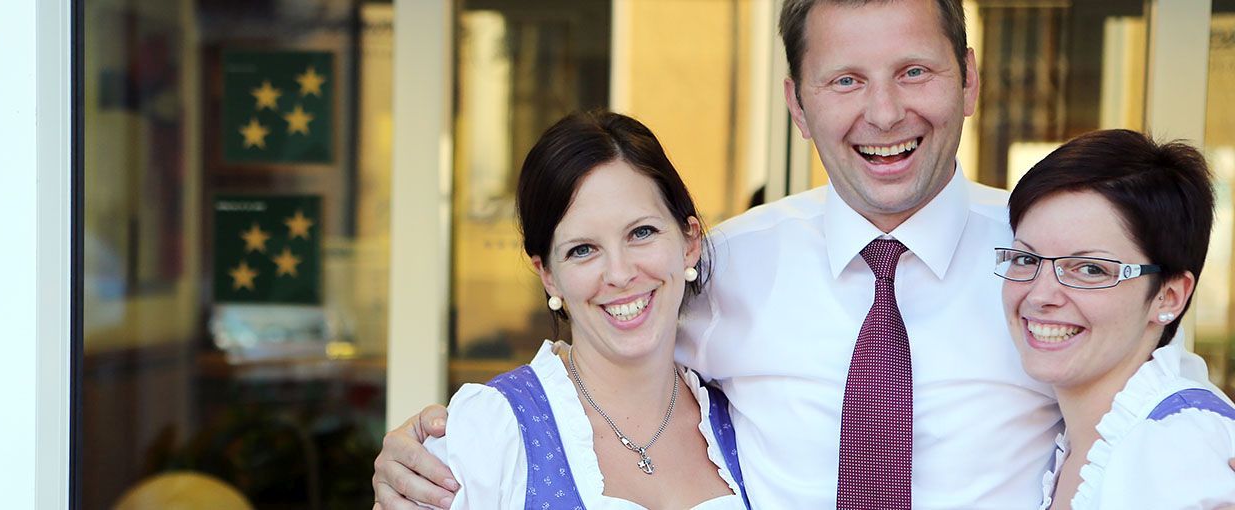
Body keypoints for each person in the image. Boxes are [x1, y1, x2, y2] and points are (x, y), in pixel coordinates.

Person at [370, 1, 1214, 508]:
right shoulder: (725, 267)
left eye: (914, 72)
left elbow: (1158, 396)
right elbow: (606, 342)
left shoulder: (1042, 272)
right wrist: (448, 443)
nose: (884, 113)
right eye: (845, 80)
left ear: (969, 79)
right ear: (797, 106)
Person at [419, 110, 750, 509]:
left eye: (641, 232)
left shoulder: (747, 419)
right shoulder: (491, 432)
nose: (620, 273)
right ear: (548, 276)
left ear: (689, 242)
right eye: (583, 250)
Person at [996, 129, 1235, 509]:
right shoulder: (1087, 442)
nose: (1040, 296)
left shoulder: (1179, 450)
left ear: (1169, 296)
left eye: (1090, 269)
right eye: (1026, 259)